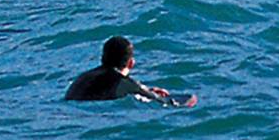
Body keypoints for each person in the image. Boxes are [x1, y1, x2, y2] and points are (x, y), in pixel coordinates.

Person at [64, 36, 195, 106]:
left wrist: (147, 90)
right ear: (131, 63)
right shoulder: (124, 82)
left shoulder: (84, 76)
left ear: (103, 58)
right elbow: (165, 102)